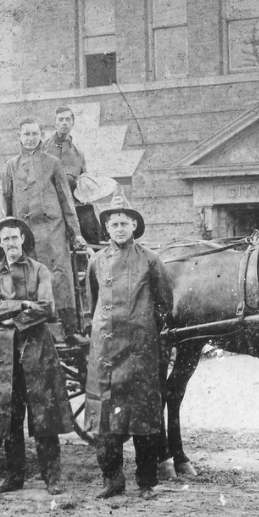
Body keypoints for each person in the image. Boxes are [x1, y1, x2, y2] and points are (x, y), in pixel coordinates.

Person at [0, 216, 74, 495]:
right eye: (5, 239)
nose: (11, 243)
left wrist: (12, 319)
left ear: (23, 240)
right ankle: (14, 477)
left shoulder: (39, 270)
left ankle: (52, 478)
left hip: (37, 350)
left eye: (15, 237)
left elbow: (46, 307)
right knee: (9, 417)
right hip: (3, 354)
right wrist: (21, 304)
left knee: (43, 416)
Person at [84, 195, 174, 500]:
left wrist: (145, 329)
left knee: (143, 417)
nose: (119, 228)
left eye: (125, 223)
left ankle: (147, 482)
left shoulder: (150, 259)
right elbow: (92, 300)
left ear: (134, 225)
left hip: (140, 351)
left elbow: (164, 303)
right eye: (114, 223)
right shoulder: (96, 260)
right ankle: (112, 481)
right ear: (106, 228)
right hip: (105, 352)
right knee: (106, 417)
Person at [0, 116, 89, 347]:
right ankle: (30, 328)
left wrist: (75, 232)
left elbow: (66, 200)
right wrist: (3, 230)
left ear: (41, 136)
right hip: (25, 233)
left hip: (53, 229)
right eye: (26, 134)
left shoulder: (52, 163)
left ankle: (70, 329)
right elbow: (4, 200)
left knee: (60, 275)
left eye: (34, 134)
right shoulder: (10, 166)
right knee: (27, 276)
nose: (30, 139)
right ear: (19, 137)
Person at [42, 105, 87, 195]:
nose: (64, 123)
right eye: (61, 119)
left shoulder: (79, 155)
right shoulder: (43, 148)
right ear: (55, 123)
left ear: (72, 122)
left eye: (67, 119)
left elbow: (83, 185)